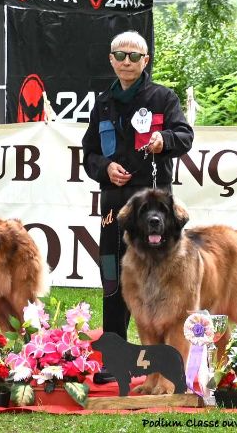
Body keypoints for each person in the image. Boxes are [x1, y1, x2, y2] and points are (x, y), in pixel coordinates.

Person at [80, 31, 193, 382]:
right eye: (120, 55)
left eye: (134, 56)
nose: (126, 61)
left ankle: (164, 359)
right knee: (113, 280)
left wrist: (164, 140)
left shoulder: (163, 98)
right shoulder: (102, 103)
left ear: (146, 61)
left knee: (161, 281)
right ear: (111, 59)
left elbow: (185, 136)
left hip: (154, 212)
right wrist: (105, 168)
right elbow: (89, 154)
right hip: (114, 209)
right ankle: (114, 358)